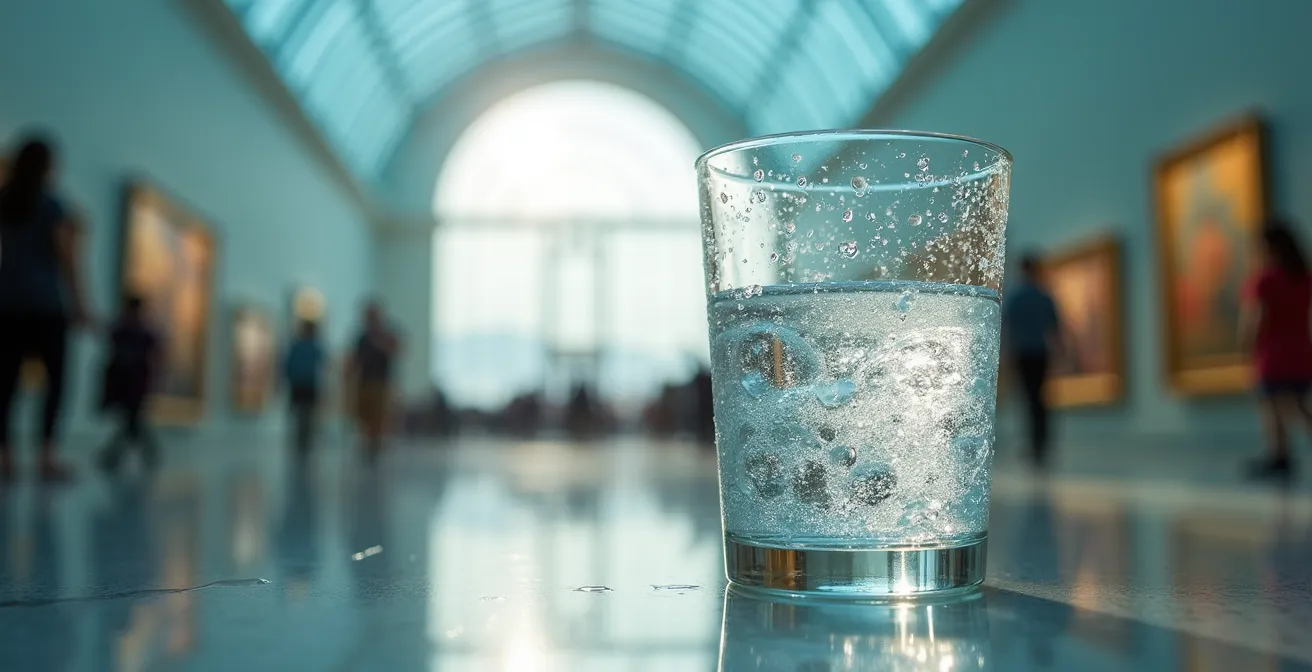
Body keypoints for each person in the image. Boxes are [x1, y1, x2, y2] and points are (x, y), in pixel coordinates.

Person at [0, 136, 92, 480]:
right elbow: (67, 258)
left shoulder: (5, 202)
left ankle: (6, 456)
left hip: (7, 303)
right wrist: (81, 304)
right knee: (55, 382)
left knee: (5, 383)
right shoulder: (52, 205)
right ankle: (46, 456)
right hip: (46, 306)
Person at [1241, 223, 1312, 479]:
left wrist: (1247, 344)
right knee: (1298, 405)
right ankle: (1280, 455)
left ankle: (1279, 455)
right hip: (1302, 350)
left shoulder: (1266, 279)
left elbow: (1257, 317)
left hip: (1274, 353)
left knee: (1273, 406)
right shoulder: (1303, 277)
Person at [1002, 252, 1061, 468]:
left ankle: (1035, 445)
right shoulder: (1044, 296)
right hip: (1040, 353)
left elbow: (1007, 328)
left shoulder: (1016, 297)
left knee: (1030, 399)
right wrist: (1059, 355)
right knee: (1040, 399)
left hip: (1023, 354)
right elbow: (1055, 328)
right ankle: (1041, 444)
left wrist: (1008, 354)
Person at [98, 295, 162, 471]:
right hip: (129, 382)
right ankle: (145, 452)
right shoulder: (134, 330)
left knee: (132, 422)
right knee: (132, 422)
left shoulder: (129, 330)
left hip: (133, 382)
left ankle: (113, 455)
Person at [346, 301, 401, 458]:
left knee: (379, 415)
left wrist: (380, 342)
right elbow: (355, 359)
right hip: (365, 381)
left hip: (381, 382)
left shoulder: (386, 334)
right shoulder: (362, 337)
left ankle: (376, 443)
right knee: (364, 414)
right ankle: (368, 442)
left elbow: (396, 350)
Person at [283, 319, 327, 457]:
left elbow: (322, 365)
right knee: (299, 412)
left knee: (308, 413)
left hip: (309, 384)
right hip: (298, 384)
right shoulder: (297, 346)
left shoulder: (314, 347)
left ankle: (306, 438)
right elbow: (288, 364)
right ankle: (300, 439)